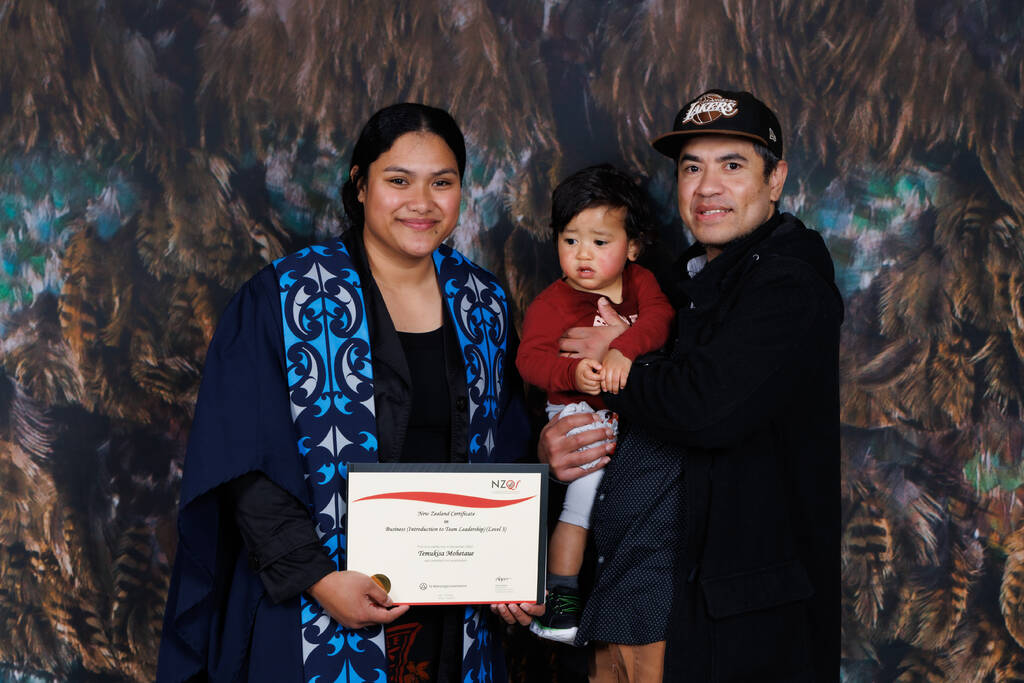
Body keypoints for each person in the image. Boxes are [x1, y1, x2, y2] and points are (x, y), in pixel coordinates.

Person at [157, 103, 530, 683]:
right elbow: (245, 465)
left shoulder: (483, 303)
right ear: (360, 185)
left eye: (443, 183)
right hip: (320, 607)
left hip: (456, 617)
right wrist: (320, 580)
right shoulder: (283, 297)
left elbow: (507, 447)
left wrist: (511, 573)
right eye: (398, 180)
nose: (422, 203)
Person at [537, 89, 843, 681]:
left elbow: (704, 406)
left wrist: (612, 362)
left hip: (727, 627)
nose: (707, 188)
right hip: (629, 599)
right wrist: (557, 448)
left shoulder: (788, 283)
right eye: (691, 168)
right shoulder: (678, 283)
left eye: (732, 166)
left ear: (775, 180)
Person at [515, 164, 674, 645]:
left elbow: (661, 319)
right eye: (570, 240)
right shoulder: (553, 302)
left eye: (600, 242)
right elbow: (529, 360)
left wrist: (623, 346)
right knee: (582, 505)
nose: (583, 255)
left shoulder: (640, 282)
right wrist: (571, 374)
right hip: (576, 415)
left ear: (633, 246)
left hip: (635, 420)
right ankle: (560, 600)